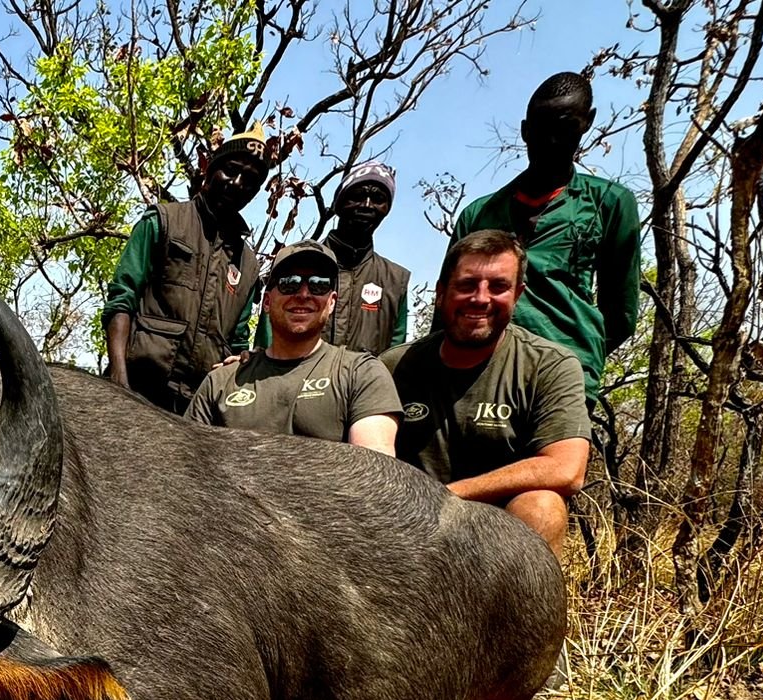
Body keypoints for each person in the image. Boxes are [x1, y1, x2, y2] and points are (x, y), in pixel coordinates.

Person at [383, 229, 590, 554]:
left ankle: (523, 605)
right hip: (408, 529)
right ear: (440, 293)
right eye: (466, 285)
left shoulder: (550, 364)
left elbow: (566, 469)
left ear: (517, 294)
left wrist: (447, 497)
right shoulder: (394, 366)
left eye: (498, 286)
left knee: (543, 506)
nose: (480, 298)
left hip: (498, 535)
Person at [449, 72, 641, 406]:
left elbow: (620, 314)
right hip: (478, 376)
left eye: (565, 128)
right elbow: (449, 306)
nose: (550, 141)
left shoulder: (610, 203)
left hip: (565, 381)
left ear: (587, 123)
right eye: (539, 130)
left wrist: (573, 352)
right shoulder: (478, 215)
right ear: (525, 131)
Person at [103, 132, 266, 414]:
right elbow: (122, 299)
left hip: (199, 407)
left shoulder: (248, 264)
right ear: (209, 169)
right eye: (230, 171)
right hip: (137, 389)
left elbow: (238, 340)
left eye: (250, 181)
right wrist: (119, 383)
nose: (237, 183)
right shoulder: (163, 221)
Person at [186, 240, 401, 453]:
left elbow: (375, 472)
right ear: (267, 302)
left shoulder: (363, 375)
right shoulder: (221, 382)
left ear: (332, 301)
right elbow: (187, 466)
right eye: (289, 283)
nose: (303, 294)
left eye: (319, 285)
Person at [255, 161, 409, 354]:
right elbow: (265, 343)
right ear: (338, 203)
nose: (367, 205)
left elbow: (394, 357)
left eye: (378, 198)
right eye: (358, 196)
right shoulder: (295, 260)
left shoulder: (396, 281)